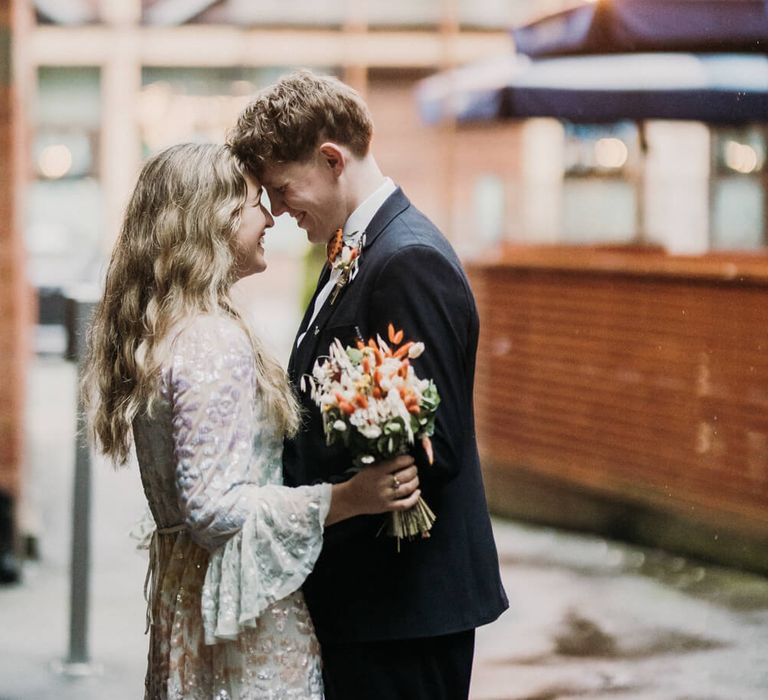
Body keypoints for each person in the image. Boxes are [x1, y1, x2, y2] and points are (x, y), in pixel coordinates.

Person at [81, 142, 422, 700]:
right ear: (206, 223)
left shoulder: (171, 329)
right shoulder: (209, 340)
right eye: (251, 203)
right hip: (240, 615)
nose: (270, 216)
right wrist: (348, 498)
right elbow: (214, 508)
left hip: (196, 602)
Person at [229, 70, 509, 700]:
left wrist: (304, 497)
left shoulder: (407, 260)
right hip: (372, 603)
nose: (277, 209)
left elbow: (435, 442)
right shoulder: (353, 249)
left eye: (283, 187)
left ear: (331, 160)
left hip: (402, 606)